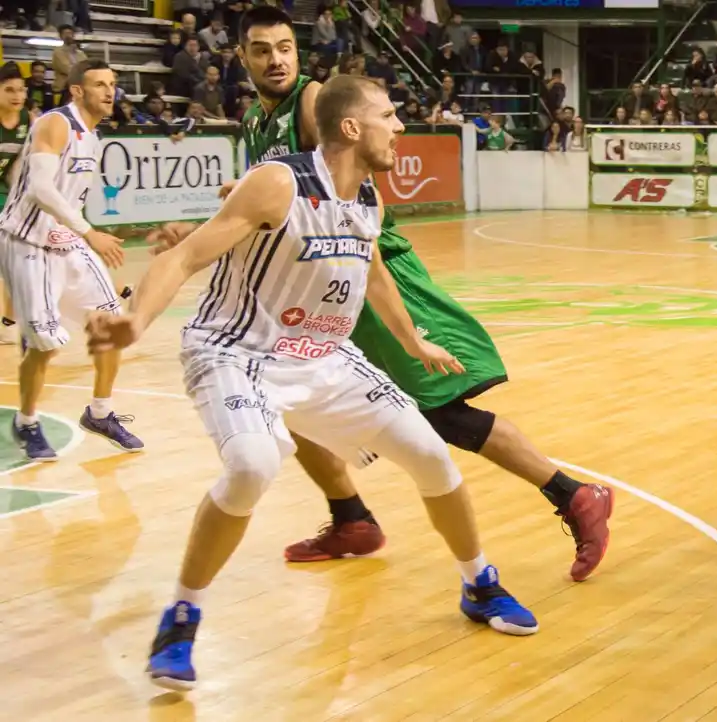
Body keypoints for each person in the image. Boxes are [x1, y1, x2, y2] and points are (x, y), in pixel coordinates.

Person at [88, 75, 540, 691]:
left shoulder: (368, 199)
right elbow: (184, 255)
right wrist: (135, 320)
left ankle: (479, 583)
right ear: (352, 128)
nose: (401, 125)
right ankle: (182, 615)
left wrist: (414, 342)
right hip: (237, 351)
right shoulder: (280, 182)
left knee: (434, 458)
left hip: (322, 358)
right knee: (251, 465)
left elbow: (375, 275)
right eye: (390, 114)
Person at [150, 7, 614, 580]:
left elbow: (334, 185)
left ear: (299, 54)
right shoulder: (253, 121)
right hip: (313, 275)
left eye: (286, 48)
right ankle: (350, 516)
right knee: (285, 385)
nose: (277, 60)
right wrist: (202, 224)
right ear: (240, 58)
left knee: (440, 416)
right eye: (262, 50)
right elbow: (269, 208)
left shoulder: (314, 99)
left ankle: (572, 495)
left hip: (363, 266)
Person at [0, 59, 142, 460]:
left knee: (111, 325)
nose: (109, 91)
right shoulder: (55, 123)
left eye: (113, 84)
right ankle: (26, 421)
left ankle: (100, 412)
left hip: (66, 241)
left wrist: (83, 232)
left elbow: (64, 194)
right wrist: (89, 231)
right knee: (45, 345)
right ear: (77, 90)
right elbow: (41, 188)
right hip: (26, 242)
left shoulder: (92, 136)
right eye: (99, 84)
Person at [0, 62, 30, 345]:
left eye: (20, 90)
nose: (16, 95)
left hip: (3, 192)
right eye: (9, 90)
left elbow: (18, 165)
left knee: (14, 256)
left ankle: (8, 323)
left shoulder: (25, 119)